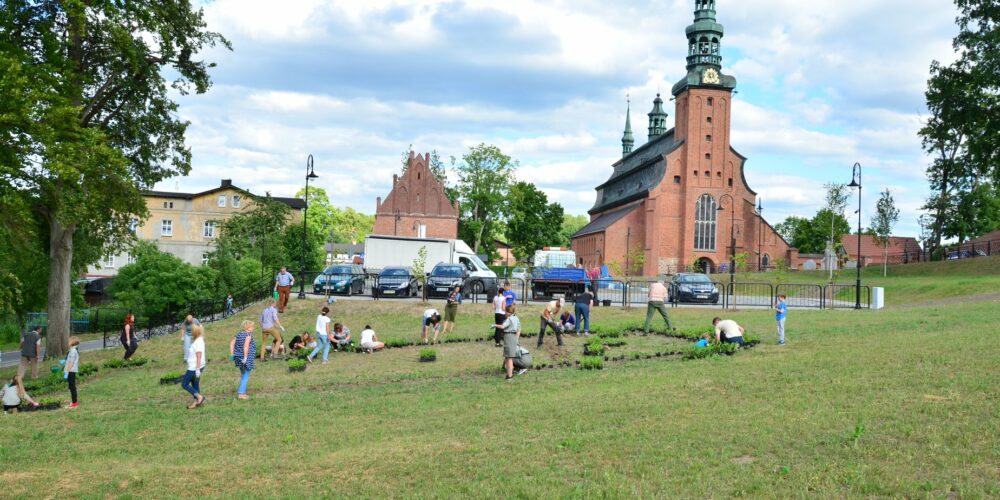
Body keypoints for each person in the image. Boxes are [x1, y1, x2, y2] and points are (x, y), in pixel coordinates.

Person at [494, 305, 525, 380]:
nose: (504, 313)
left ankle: (510, 376)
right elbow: (519, 329)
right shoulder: (516, 318)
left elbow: (503, 327)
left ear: (508, 312)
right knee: (508, 357)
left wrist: (495, 325)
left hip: (508, 336)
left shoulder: (509, 319)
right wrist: (516, 339)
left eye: (505, 311)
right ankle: (509, 373)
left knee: (509, 358)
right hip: (514, 337)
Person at [230, 320, 257, 399]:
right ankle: (241, 394)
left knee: (243, 374)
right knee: (245, 376)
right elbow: (246, 346)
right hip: (246, 359)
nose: (253, 328)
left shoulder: (238, 334)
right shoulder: (248, 335)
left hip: (238, 358)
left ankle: (243, 392)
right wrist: (245, 357)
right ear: (248, 327)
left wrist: (232, 354)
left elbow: (231, 344)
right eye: (252, 326)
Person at [182, 323, 206, 409]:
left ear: (195, 332)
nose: (190, 332)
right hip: (196, 367)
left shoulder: (198, 342)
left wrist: (197, 369)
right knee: (195, 385)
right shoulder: (199, 339)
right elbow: (201, 328)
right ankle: (197, 402)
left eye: (191, 331)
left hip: (194, 367)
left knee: (184, 384)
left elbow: (199, 356)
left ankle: (199, 397)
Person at [65, 336, 80, 409]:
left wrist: (67, 372)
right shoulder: (72, 350)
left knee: (72, 387)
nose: (67, 342)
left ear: (72, 342)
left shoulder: (73, 351)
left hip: (71, 371)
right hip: (70, 371)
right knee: (71, 387)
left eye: (69, 341)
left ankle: (75, 403)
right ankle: (74, 401)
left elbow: (71, 362)